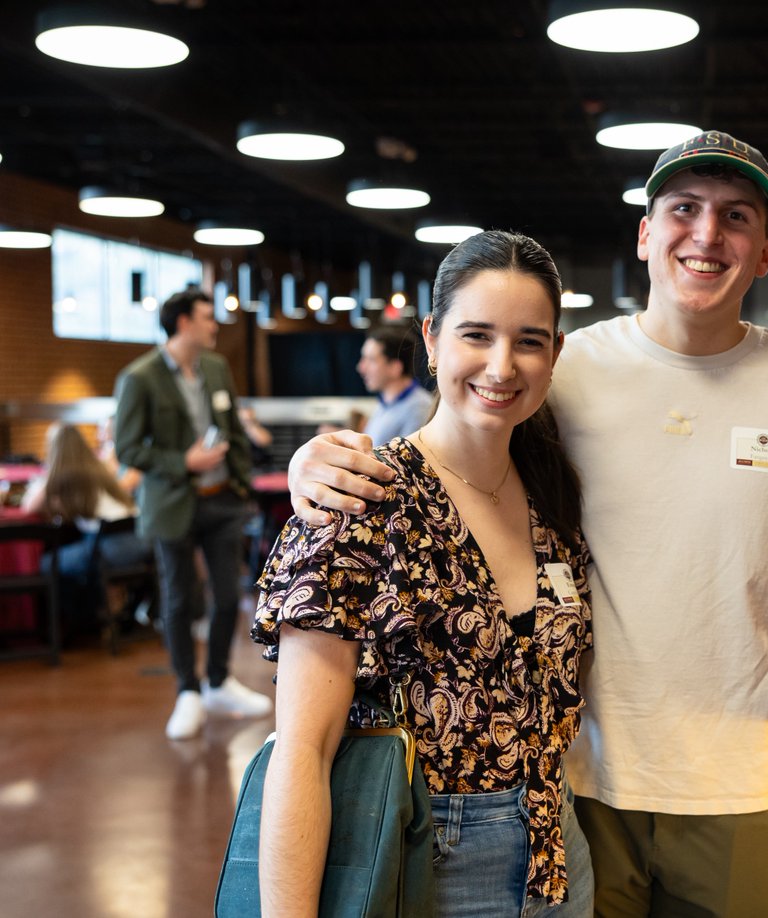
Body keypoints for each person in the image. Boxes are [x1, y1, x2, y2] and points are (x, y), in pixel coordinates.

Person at [284, 131, 768, 916]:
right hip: (572, 783)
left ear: (767, 249)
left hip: (739, 780)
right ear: (646, 234)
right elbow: (459, 445)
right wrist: (323, 460)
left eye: (736, 216)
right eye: (684, 209)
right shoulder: (560, 374)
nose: (707, 235)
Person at [254, 230, 594, 916]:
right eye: (477, 335)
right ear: (432, 339)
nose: (501, 365)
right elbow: (302, 753)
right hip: (423, 861)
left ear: (555, 354)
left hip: (561, 859)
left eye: (529, 340)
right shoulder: (360, 504)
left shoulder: (553, 499)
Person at [114, 286, 273, 740]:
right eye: (207, 317)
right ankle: (187, 689)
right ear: (183, 322)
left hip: (222, 500)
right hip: (172, 504)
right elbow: (128, 448)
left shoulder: (216, 367)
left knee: (229, 597)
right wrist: (181, 462)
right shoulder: (139, 377)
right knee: (181, 600)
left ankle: (218, 681)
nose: (214, 325)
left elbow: (232, 428)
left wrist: (241, 482)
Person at [21, 423, 152, 635]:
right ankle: (95, 618)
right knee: (77, 555)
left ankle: (78, 626)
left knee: (47, 563)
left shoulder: (63, 474)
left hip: (111, 549)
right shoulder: (100, 467)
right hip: (141, 541)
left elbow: (28, 506)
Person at [356, 325, 435, 446]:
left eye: (371, 360)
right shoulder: (384, 405)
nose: (361, 368)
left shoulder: (419, 409)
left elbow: (408, 462)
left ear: (395, 367)